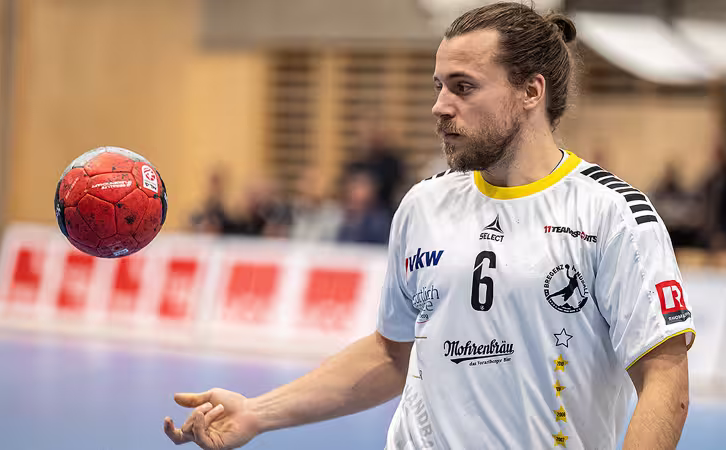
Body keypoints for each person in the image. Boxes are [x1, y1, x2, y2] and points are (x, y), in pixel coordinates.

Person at [164, 3, 694, 449]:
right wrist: (258, 412)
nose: (440, 107)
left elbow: (665, 378)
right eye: (439, 86)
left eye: (463, 87)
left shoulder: (612, 215)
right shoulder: (424, 205)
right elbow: (390, 352)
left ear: (531, 92)